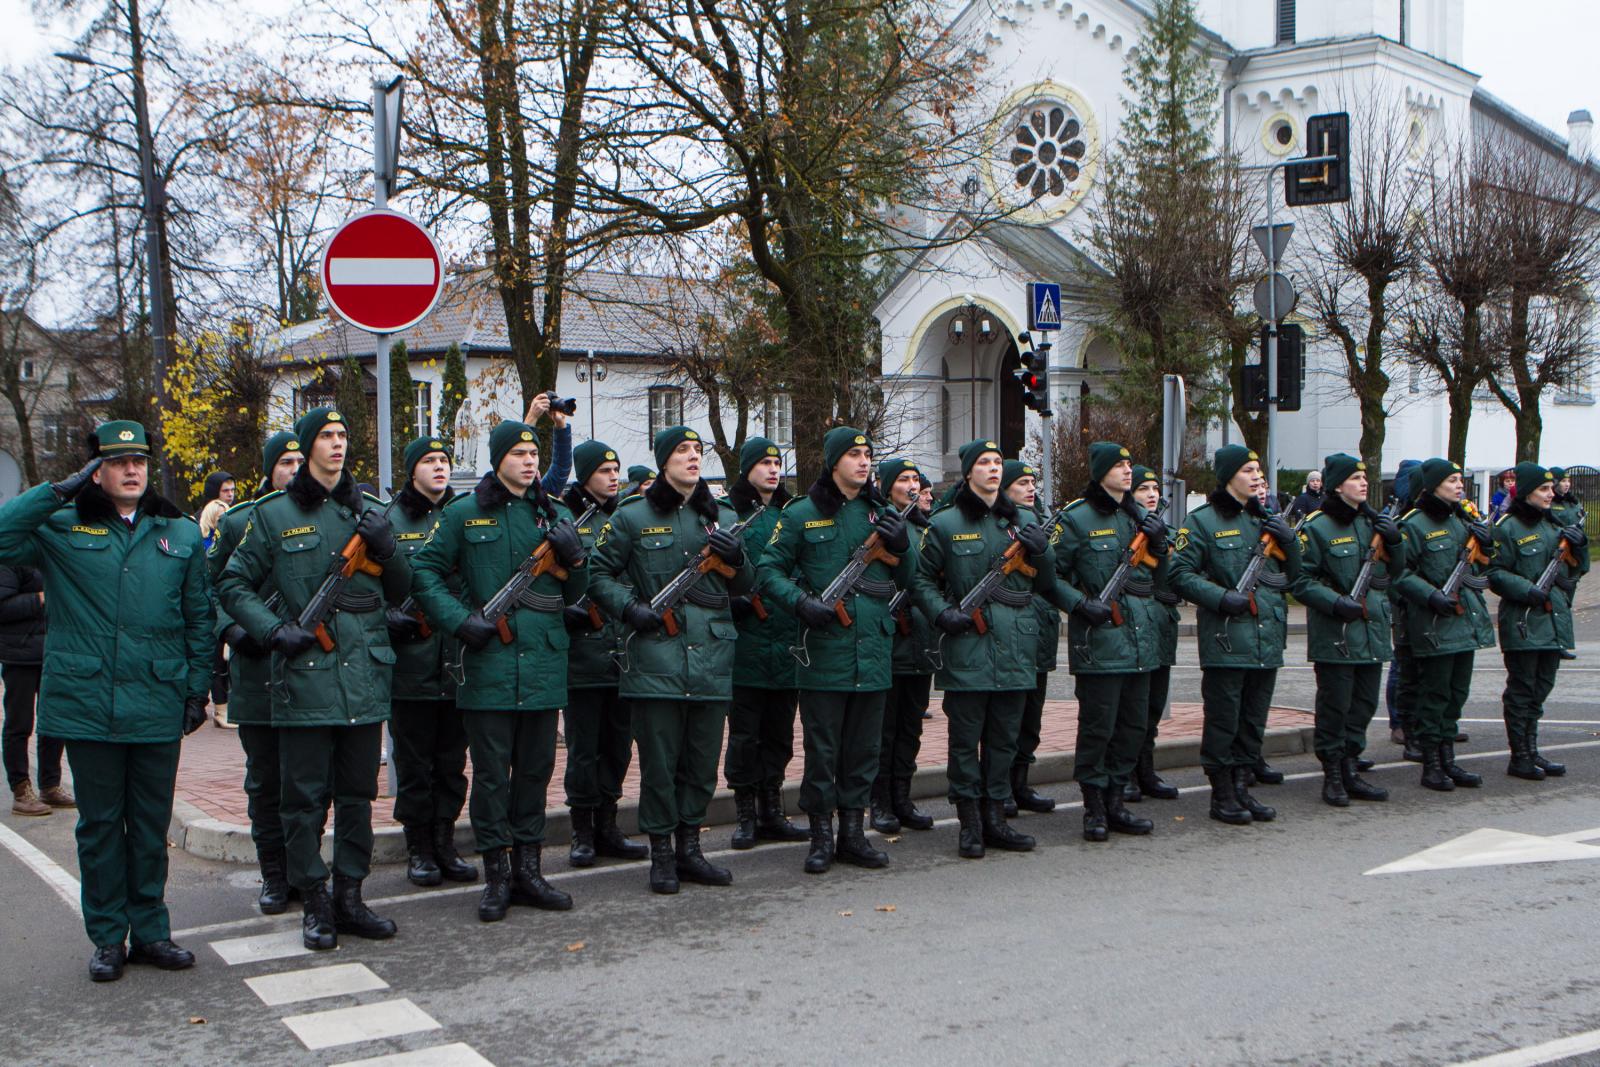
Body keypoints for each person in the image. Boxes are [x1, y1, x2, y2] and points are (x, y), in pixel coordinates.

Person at [0, 421, 211, 981]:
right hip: (87, 703)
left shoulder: (179, 533)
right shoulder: (61, 526)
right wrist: (58, 490)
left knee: (147, 827)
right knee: (98, 828)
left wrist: (197, 689)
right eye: (118, 461)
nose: (132, 469)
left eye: (139, 459)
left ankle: (151, 931)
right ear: (97, 469)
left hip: (156, 700)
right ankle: (106, 938)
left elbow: (199, 616)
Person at [220, 407, 410, 951]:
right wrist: (274, 630)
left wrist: (389, 548)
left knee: (357, 793)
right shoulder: (274, 516)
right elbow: (234, 585)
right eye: (325, 436)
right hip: (305, 677)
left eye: (343, 434)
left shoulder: (372, 512)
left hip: (365, 678)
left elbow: (402, 590)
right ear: (306, 449)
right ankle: (316, 900)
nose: (337, 444)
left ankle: (351, 896)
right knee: (302, 798)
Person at [411, 420, 587, 922]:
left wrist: (577, 559)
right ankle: (497, 876)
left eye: (534, 453)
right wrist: (458, 621)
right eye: (518, 453)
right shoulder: (465, 513)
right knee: (491, 778)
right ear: (497, 459)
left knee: (534, 773)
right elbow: (424, 571)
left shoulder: (554, 514)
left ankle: (530, 871)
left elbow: (576, 594)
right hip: (487, 666)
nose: (530, 461)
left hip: (543, 665)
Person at [588, 426, 753, 894]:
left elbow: (746, 585)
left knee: (702, 763)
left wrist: (738, 559)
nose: (693, 457)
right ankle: (662, 853)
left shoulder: (720, 515)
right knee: (660, 763)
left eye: (698, 450)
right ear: (663, 461)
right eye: (682, 451)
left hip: (713, 656)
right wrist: (628, 608)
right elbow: (598, 573)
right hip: (656, 656)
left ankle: (691, 849)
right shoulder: (632, 516)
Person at [758, 427, 913, 874]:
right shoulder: (801, 514)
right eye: (853, 455)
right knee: (824, 750)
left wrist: (903, 543)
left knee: (864, 750)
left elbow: (910, 579)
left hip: (874, 650)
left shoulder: (879, 513)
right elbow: (768, 571)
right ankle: (822, 835)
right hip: (825, 652)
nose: (863, 462)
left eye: (867, 455)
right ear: (832, 462)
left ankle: (853, 833)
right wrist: (801, 603)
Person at [911, 439, 1055, 858]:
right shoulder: (945, 523)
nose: (994, 469)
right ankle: (969, 824)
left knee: (1004, 739)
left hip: (1016, 646)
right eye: (985, 463)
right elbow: (921, 580)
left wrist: (1042, 552)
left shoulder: (1024, 521)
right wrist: (942, 614)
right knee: (964, 740)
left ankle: (997, 818)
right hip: (968, 646)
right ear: (969, 472)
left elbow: (1044, 581)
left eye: (998, 462)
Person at [1168, 445, 1300, 826]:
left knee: (1253, 720)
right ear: (1228, 477)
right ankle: (1222, 794)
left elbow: (1295, 575)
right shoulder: (1202, 522)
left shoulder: (1268, 521)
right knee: (1225, 720)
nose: (1257, 475)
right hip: (1228, 638)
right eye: (1248, 470)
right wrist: (1222, 597)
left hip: (1266, 637)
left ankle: (1244, 787)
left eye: (1258, 469)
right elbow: (1180, 575)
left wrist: (1289, 542)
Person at [1051, 443, 1167, 841]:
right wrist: (1081, 605)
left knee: (1133, 728)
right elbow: (1051, 576)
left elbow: (1160, 577)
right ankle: (1094, 808)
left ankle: (1117, 802)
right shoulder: (1076, 519)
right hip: (1100, 643)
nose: (1127, 471)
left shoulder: (1137, 518)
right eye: (1118, 465)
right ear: (1101, 472)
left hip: (1140, 643)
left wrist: (1161, 543)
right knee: (1098, 728)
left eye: (1129, 464)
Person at [210, 430, 304, 914]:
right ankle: (274, 874)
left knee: (307, 781)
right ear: (270, 469)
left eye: (299, 460)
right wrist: (232, 630)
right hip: (258, 672)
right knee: (265, 781)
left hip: (310, 671)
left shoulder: (325, 519)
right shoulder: (241, 522)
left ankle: (306, 870)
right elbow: (211, 589)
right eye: (285, 462)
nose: (293, 468)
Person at [386, 436, 478, 888]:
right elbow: (369, 589)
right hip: (411, 665)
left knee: (451, 763)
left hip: (457, 661)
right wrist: (387, 618)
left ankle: (445, 842)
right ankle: (418, 847)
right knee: (414, 763)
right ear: (411, 470)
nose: (440, 467)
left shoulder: (463, 517)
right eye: (429, 461)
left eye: (444, 460)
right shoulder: (388, 521)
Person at [1292, 454, 1402, 807]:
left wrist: (1396, 542)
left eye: (1365, 477)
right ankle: (1334, 775)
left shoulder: (1373, 524)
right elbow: (1301, 581)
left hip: (1371, 632)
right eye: (1355, 478)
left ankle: (1352, 767)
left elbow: (1394, 572)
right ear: (1337, 485)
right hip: (1337, 634)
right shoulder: (1316, 526)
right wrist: (1336, 602)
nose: (1364, 483)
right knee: (1335, 706)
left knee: (1364, 705)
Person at [559, 440, 649, 867]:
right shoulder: (565, 518)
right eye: (603, 470)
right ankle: (582, 830)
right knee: (583, 748)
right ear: (584, 474)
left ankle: (608, 825)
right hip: (583, 653)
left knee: (618, 745)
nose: (614, 476)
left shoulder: (628, 518)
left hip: (623, 650)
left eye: (616, 469)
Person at [721, 437, 806, 850]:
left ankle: (773, 809)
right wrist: (733, 605)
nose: (773, 470)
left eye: (777, 462)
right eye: (765, 463)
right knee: (744, 734)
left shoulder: (791, 514)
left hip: (786, 637)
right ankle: (745, 813)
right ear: (747, 469)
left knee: (779, 734)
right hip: (746, 641)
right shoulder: (729, 515)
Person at [1395, 458, 1493, 792]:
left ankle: (1449, 758)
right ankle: (1432, 763)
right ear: (1433, 485)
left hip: (1464, 621)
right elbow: (1399, 574)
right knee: (1434, 695)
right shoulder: (1413, 524)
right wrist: (1431, 596)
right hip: (1433, 621)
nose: (1459, 485)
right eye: (1452, 480)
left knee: (1456, 694)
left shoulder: (1462, 521)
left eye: (1459, 479)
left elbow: (1479, 573)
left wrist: (1487, 548)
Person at [1488, 461, 1589, 781]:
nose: (1551, 493)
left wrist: (1581, 548)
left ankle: (1532, 750)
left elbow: (1573, 571)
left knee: (1542, 686)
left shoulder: (1553, 524)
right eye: (1543, 489)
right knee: (1522, 688)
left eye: (1551, 488)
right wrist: (1526, 590)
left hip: (1553, 617)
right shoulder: (1507, 527)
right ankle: (1519, 756)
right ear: (1528, 491)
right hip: (1524, 618)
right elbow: (1494, 573)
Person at [872, 458, 937, 833]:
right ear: (886, 486)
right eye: (903, 479)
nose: (911, 485)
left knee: (910, 727)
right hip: (888, 637)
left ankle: (902, 797)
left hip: (920, 639)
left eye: (915, 479)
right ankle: (879, 802)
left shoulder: (925, 528)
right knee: (885, 729)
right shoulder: (882, 522)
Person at [1006, 461, 1062, 817]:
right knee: (1006, 720)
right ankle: (1000, 788)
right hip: (1011, 635)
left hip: (1040, 635)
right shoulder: (1003, 523)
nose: (1030, 488)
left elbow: (1055, 576)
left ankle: (1020, 784)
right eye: (1022, 483)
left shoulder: (1041, 524)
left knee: (1031, 719)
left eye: (1032, 482)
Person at [1123, 465, 1180, 804]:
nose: (1152, 494)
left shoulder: (1166, 531)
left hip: (1162, 625)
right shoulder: (1126, 529)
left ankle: (1146, 769)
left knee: (1153, 706)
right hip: (1135, 622)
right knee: (1132, 707)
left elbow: (1176, 574)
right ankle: (1127, 771)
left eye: (1155, 488)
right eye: (1143, 488)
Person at [0, 563, 68, 816]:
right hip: (19, 653)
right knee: (19, 723)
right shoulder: (11, 556)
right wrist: (41, 598)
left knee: (53, 721)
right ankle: (20, 789)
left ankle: (50, 785)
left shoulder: (51, 552)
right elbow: (2, 606)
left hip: (53, 651)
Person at [1385, 458, 1423, 758]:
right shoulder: (1396, 516)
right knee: (1402, 665)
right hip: (1402, 600)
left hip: (1426, 602)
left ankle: (1424, 724)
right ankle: (1399, 722)